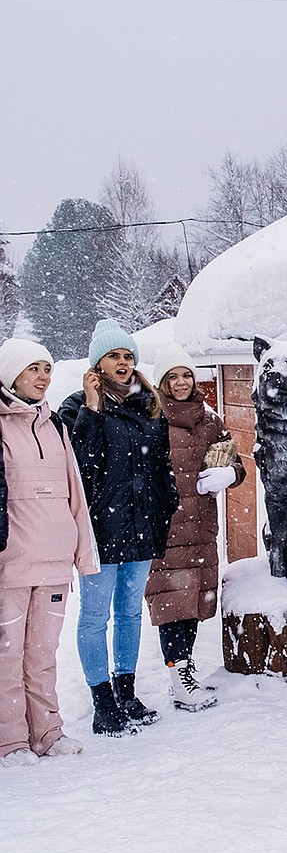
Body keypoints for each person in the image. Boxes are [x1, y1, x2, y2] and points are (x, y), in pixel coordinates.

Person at [59, 319, 177, 736]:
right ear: (98, 364)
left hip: (142, 527)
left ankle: (126, 691)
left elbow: (161, 466)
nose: (123, 363)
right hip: (100, 530)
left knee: (129, 612)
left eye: (128, 356)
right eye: (115, 356)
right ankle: (102, 701)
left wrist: (167, 505)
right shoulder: (77, 407)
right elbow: (80, 465)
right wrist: (92, 406)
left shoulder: (149, 406)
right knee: (94, 616)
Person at [0, 340, 98, 766]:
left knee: (42, 654)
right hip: (11, 565)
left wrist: (83, 554)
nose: (43, 376)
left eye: (46, 368)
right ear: (10, 375)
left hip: (55, 563)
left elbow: (75, 494)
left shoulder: (55, 426)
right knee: (7, 656)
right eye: (33, 368)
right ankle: (10, 742)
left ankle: (47, 733)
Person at [146, 343, 245, 711]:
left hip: (201, 529)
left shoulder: (210, 420)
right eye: (172, 377)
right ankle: (179, 679)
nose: (181, 382)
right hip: (167, 529)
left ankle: (186, 672)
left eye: (186, 374)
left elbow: (233, 465)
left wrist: (228, 473)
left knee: (193, 605)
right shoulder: (151, 418)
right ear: (162, 383)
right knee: (171, 605)